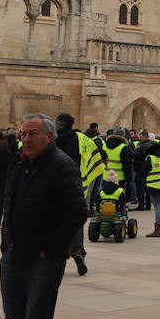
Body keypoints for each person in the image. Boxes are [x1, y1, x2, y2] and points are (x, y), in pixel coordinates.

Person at [0, 113, 88, 319]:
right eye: (23, 134)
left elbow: (77, 212)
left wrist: (51, 250)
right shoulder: (19, 163)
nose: (26, 139)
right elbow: (10, 203)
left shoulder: (63, 165)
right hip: (14, 252)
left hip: (44, 259)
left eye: (32, 133)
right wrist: (6, 243)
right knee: (14, 315)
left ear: (50, 136)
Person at [53, 114, 90, 276]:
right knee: (76, 218)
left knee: (56, 219)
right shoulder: (81, 138)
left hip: (55, 184)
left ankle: (60, 253)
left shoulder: (52, 139)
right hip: (76, 182)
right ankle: (78, 252)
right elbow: (94, 156)